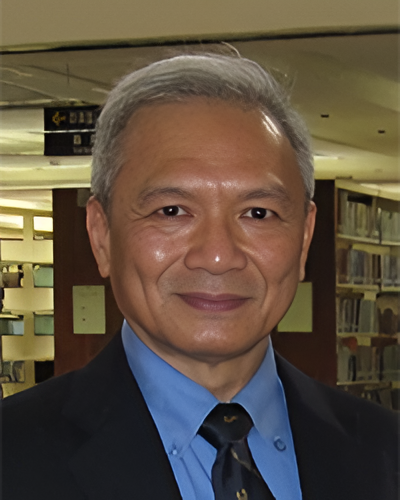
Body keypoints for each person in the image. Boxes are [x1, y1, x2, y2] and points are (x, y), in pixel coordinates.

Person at [0, 53, 399, 500]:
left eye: (258, 213)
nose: (218, 256)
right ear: (102, 235)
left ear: (304, 239)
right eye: (171, 211)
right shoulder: (12, 458)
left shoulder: (385, 452)